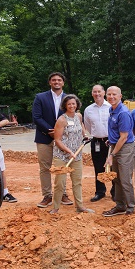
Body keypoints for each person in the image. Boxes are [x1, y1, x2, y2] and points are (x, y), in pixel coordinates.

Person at [32, 72, 72, 208]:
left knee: (62, 167)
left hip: (63, 138)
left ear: (63, 83)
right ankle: (47, 195)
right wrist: (50, 131)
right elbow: (36, 117)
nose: (56, 82)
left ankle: (63, 194)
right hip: (44, 137)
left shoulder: (68, 98)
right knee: (45, 168)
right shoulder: (40, 97)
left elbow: (71, 116)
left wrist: (59, 133)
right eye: (54, 80)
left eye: (59, 80)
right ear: (50, 82)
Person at [49, 94, 94, 214]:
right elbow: (57, 140)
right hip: (62, 155)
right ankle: (55, 207)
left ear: (77, 104)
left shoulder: (78, 116)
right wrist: (69, 152)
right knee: (60, 182)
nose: (72, 106)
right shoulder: (61, 120)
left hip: (77, 154)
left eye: (73, 103)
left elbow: (81, 127)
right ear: (65, 106)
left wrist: (84, 135)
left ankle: (80, 206)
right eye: (69, 104)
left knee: (77, 181)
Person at [102, 86, 135, 216]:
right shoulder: (112, 110)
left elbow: (124, 137)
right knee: (116, 178)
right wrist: (110, 140)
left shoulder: (123, 113)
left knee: (125, 179)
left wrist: (112, 155)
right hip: (116, 145)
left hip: (124, 149)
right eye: (109, 94)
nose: (111, 97)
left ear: (120, 96)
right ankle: (120, 205)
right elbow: (116, 133)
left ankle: (130, 207)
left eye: (114, 94)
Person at [83, 84, 113, 202]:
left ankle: (115, 191)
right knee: (98, 166)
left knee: (113, 166)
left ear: (104, 92)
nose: (97, 94)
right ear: (92, 94)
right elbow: (88, 126)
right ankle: (100, 192)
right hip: (96, 142)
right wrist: (97, 135)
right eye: (94, 92)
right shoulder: (88, 109)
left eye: (99, 91)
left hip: (110, 141)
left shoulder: (111, 107)